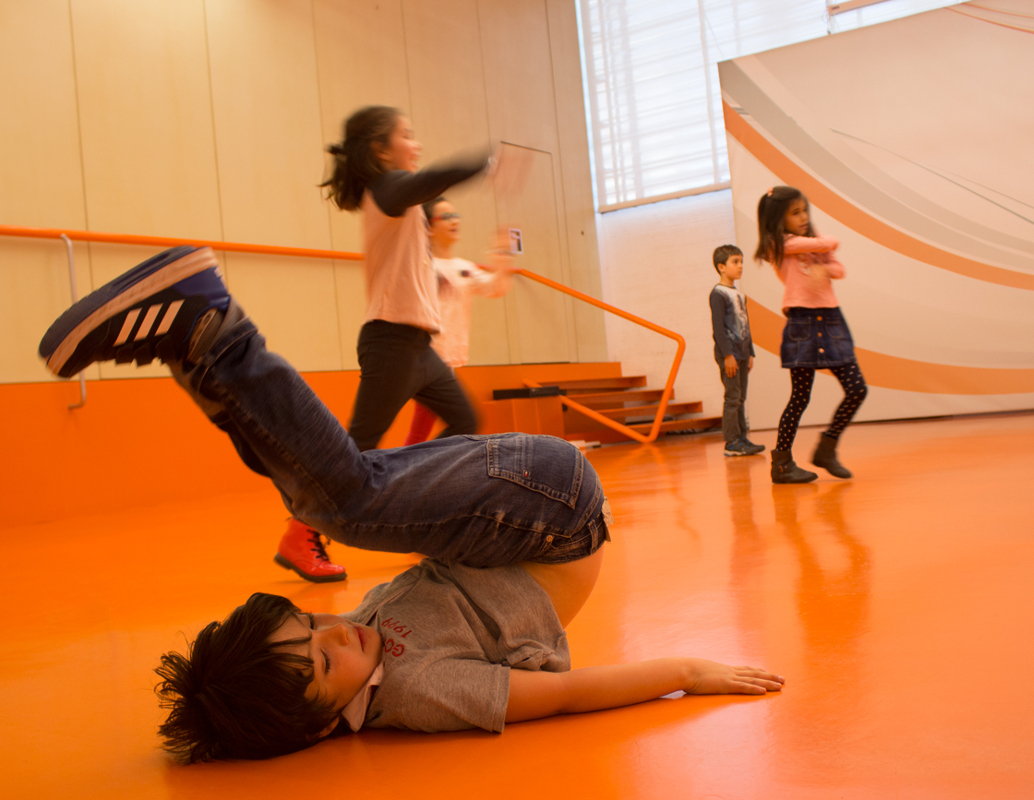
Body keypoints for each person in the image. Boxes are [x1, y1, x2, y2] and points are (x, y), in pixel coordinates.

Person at [37, 245, 784, 762]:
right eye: (325, 662)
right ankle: (207, 330)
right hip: (552, 518)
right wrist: (689, 669)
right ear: (318, 726)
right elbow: (565, 697)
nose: (343, 634)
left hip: (501, 518)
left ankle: (191, 346)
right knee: (343, 507)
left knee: (325, 495)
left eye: (316, 624)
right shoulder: (424, 694)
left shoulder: (340, 665)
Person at [276, 105, 491, 583]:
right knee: (356, 447)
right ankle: (300, 534)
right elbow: (428, 179)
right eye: (406, 136)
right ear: (380, 149)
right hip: (390, 342)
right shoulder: (386, 191)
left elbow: (428, 197)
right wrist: (483, 162)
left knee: (466, 420)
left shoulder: (404, 202)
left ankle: (422, 507)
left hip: (419, 347)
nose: (415, 144)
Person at [755, 186, 868, 485]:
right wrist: (823, 249)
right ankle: (781, 464)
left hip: (831, 319)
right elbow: (832, 242)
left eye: (804, 210)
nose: (804, 216)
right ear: (778, 218)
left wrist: (826, 270)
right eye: (795, 212)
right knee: (800, 397)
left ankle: (826, 449)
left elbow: (839, 268)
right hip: (802, 321)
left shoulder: (810, 243)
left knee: (857, 389)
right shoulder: (777, 243)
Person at [404, 197, 515, 445]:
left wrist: (502, 256)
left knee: (424, 428)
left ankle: (405, 472)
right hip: (422, 359)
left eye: (455, 216)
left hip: (444, 363)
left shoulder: (464, 268)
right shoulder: (421, 265)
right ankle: (406, 470)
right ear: (429, 227)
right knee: (460, 422)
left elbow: (495, 287)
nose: (454, 221)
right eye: (445, 217)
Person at [709, 244, 766, 457]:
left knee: (741, 397)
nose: (740, 266)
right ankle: (731, 442)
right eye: (735, 262)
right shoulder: (718, 294)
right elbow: (718, 329)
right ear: (721, 267)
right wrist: (728, 355)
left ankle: (742, 438)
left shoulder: (739, 295)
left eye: (741, 261)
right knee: (733, 397)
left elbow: (746, 325)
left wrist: (750, 352)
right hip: (729, 354)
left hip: (742, 353)